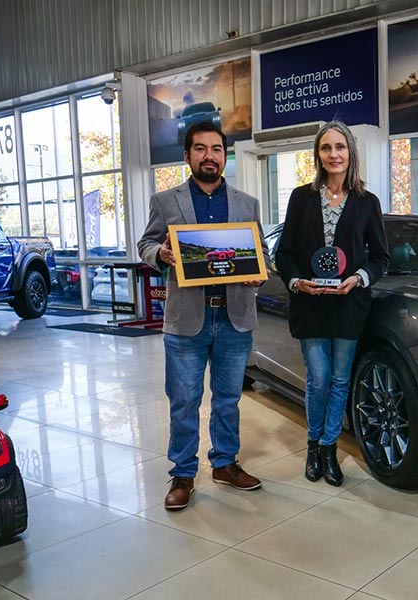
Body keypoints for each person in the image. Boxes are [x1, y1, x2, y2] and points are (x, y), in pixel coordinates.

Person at [138, 121, 268, 511]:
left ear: (225, 155)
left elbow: (258, 249)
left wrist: (259, 270)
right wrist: (158, 254)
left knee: (228, 398)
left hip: (234, 318)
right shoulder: (165, 201)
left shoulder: (247, 203)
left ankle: (225, 464)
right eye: (200, 149)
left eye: (216, 149)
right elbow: (145, 242)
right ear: (187, 156)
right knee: (184, 400)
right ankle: (182, 474)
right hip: (187, 319)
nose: (209, 155)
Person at [276, 121, 389, 487]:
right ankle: (313, 444)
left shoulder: (367, 203)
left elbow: (381, 258)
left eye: (340, 147)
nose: (333, 154)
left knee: (340, 379)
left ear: (350, 152)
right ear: (318, 154)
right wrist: (296, 281)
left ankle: (329, 447)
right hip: (310, 304)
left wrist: (359, 277)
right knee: (318, 379)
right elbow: (286, 252)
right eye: (326, 148)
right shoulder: (301, 197)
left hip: (347, 305)